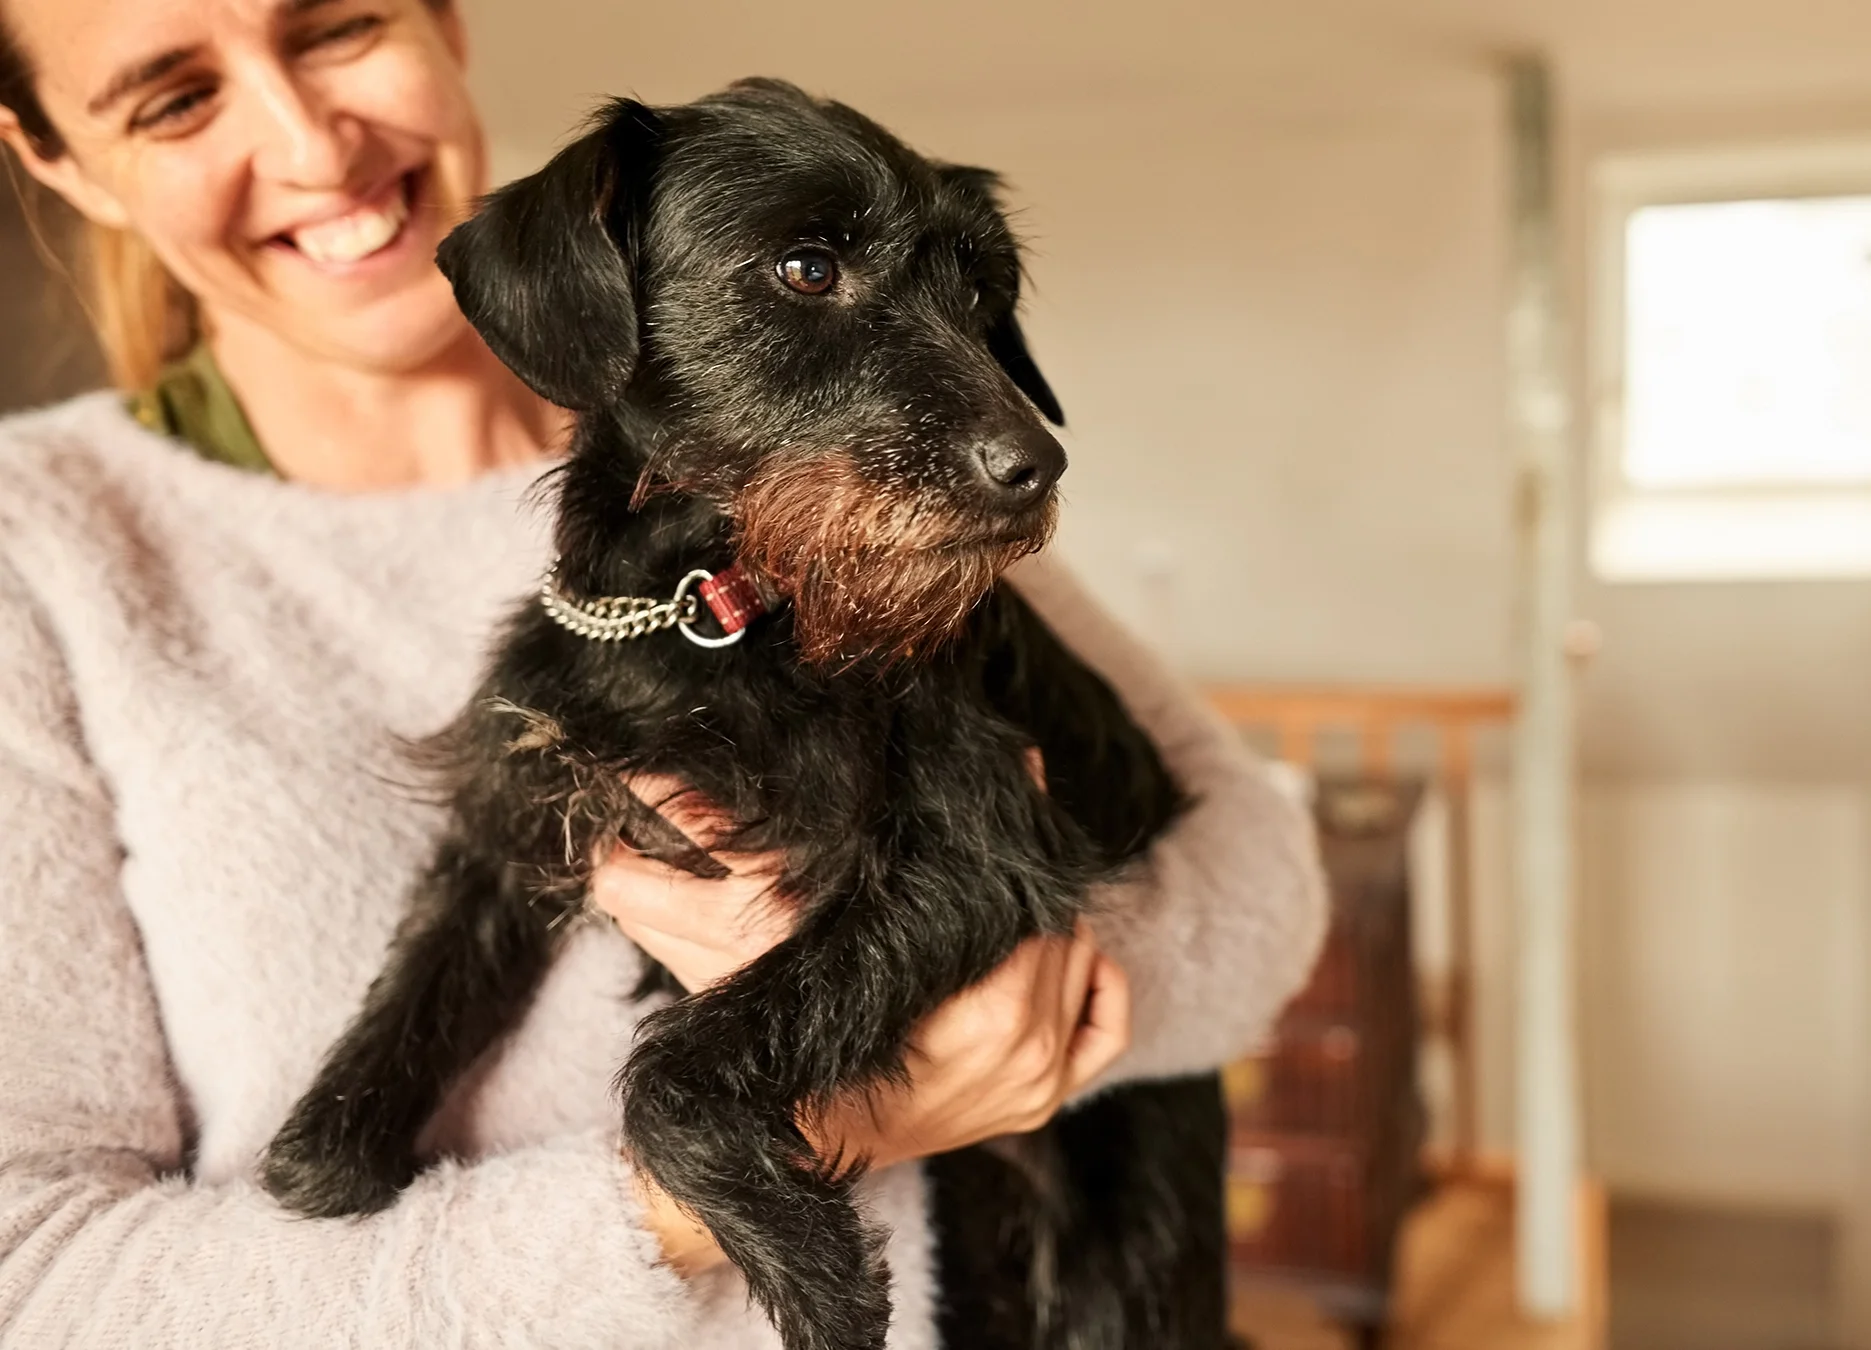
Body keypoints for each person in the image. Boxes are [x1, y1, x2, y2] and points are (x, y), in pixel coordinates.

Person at [0, 0, 1326, 1344]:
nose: (307, 143)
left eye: (337, 26)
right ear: (52, 154)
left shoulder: (858, 492)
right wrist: (745, 1163)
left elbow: (1264, 886)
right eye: (174, 98)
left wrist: (1037, 1011)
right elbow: (32, 1277)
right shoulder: (38, 551)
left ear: (445, 24)